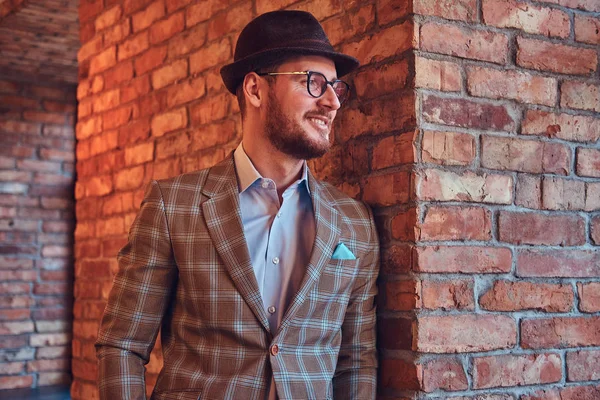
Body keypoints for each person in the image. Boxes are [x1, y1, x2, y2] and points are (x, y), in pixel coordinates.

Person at [96, 10, 380, 400]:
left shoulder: (354, 222)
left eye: (336, 86)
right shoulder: (172, 206)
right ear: (255, 89)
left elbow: (356, 361)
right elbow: (122, 345)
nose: (332, 101)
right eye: (313, 82)